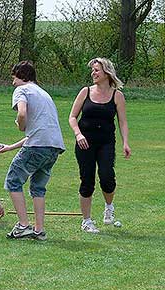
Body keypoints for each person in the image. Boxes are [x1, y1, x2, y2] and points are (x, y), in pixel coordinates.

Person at [0, 61, 65, 241]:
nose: (13, 83)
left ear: (23, 77)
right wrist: (9, 147)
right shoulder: (44, 94)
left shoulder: (22, 90)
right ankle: (39, 230)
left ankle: (23, 225)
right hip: (54, 147)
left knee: (13, 181)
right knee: (38, 188)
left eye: (14, 78)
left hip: (38, 146)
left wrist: (20, 124)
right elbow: (39, 133)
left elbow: (22, 114)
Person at [68, 57, 131, 234]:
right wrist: (78, 134)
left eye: (96, 70)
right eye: (93, 70)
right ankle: (87, 221)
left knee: (107, 177)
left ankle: (109, 207)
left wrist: (126, 142)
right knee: (87, 180)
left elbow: (123, 122)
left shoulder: (117, 95)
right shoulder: (85, 92)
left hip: (106, 142)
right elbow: (72, 117)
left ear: (106, 73)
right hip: (85, 143)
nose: (93, 73)